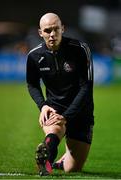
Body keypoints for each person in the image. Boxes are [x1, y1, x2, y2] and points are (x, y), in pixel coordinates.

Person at [26, 12, 94, 176]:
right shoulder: (34, 56)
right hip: (54, 108)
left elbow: (86, 87)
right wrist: (43, 106)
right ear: (40, 32)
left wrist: (68, 116)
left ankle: (62, 160)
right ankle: (45, 161)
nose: (52, 34)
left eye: (56, 29)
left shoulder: (80, 49)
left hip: (81, 112)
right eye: (47, 30)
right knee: (53, 132)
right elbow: (32, 84)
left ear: (63, 29)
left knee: (73, 168)